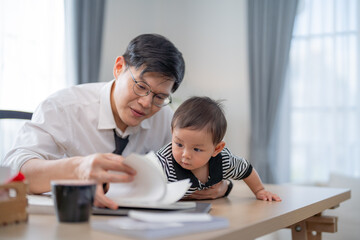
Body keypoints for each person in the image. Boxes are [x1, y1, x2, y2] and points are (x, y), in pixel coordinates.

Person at [2, 34, 231, 209]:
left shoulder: (165, 119)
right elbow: (14, 171)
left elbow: (203, 159)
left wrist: (221, 185)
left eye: (159, 96)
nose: (145, 103)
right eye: (141, 86)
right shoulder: (64, 107)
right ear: (119, 68)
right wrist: (77, 169)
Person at [156, 96, 281, 201]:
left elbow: (245, 169)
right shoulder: (164, 164)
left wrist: (260, 190)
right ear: (172, 133)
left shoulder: (224, 160)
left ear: (216, 149)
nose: (185, 155)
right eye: (179, 144)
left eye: (197, 149)